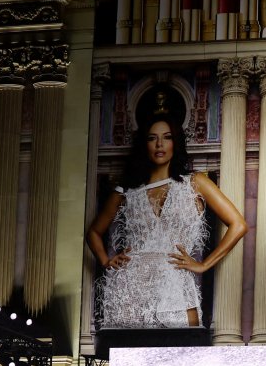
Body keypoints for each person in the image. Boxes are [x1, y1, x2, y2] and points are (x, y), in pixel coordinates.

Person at [87, 114, 248, 328]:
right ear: (144, 144)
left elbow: (239, 224)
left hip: (174, 286)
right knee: (131, 359)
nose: (159, 144)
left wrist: (204, 265)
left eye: (167, 137)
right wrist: (106, 260)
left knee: (181, 355)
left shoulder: (196, 182)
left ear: (176, 142)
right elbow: (93, 232)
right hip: (129, 290)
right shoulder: (127, 191)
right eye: (152, 138)